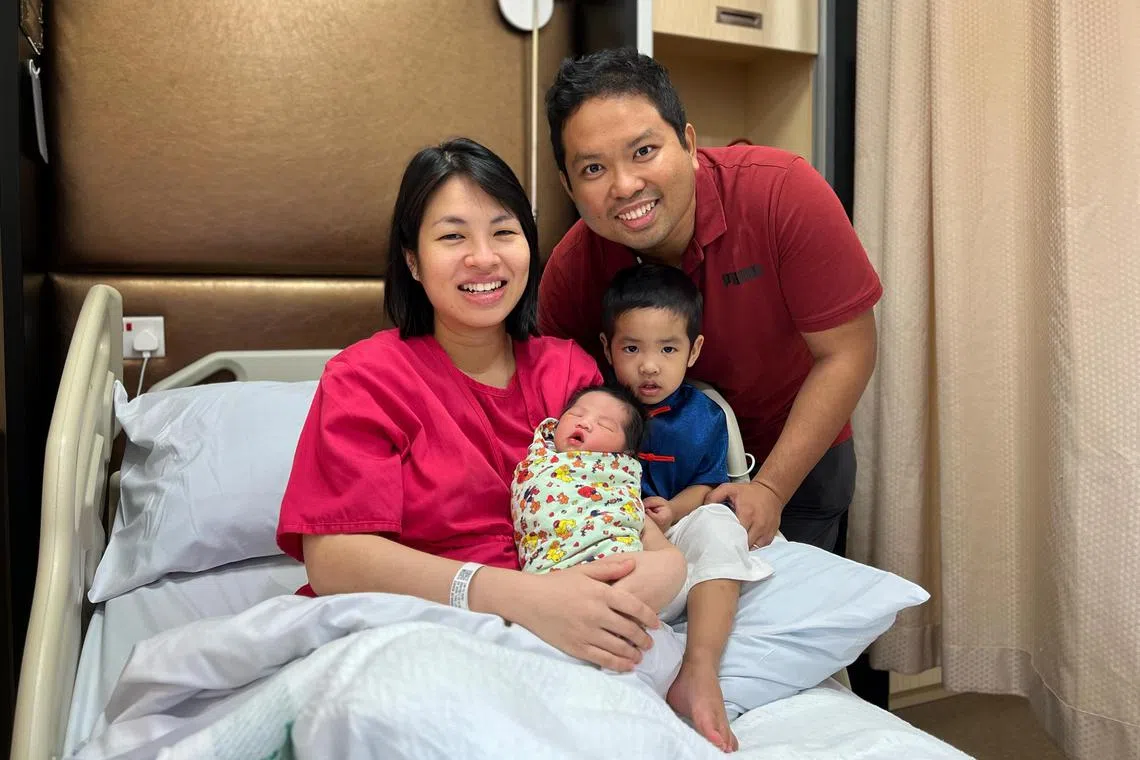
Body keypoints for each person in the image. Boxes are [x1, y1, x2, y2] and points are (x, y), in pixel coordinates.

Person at [538, 48, 883, 729]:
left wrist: (772, 488)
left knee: (794, 645)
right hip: (654, 491)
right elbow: (557, 406)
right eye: (593, 169)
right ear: (569, 185)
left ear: (688, 142)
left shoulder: (781, 192)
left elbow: (848, 351)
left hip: (797, 458)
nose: (625, 185)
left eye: (643, 151)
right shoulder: (574, 270)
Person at [276, 137, 686, 684]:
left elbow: (615, 510)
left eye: (503, 232)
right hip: (413, 628)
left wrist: (650, 576)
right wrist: (521, 599)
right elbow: (333, 560)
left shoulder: (570, 375)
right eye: (452, 236)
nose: (484, 258)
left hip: (573, 624)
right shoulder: (366, 379)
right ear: (413, 261)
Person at [512, 383, 688, 615]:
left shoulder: (616, 476)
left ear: (624, 453)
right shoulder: (539, 457)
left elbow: (633, 520)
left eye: (604, 425)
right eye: (576, 413)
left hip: (621, 564)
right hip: (553, 576)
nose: (584, 422)